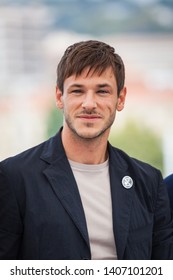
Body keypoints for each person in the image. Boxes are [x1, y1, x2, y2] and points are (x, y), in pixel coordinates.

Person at [0, 40, 172, 260]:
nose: (89, 103)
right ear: (59, 97)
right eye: (77, 91)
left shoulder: (148, 182)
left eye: (102, 91)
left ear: (120, 98)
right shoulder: (14, 177)